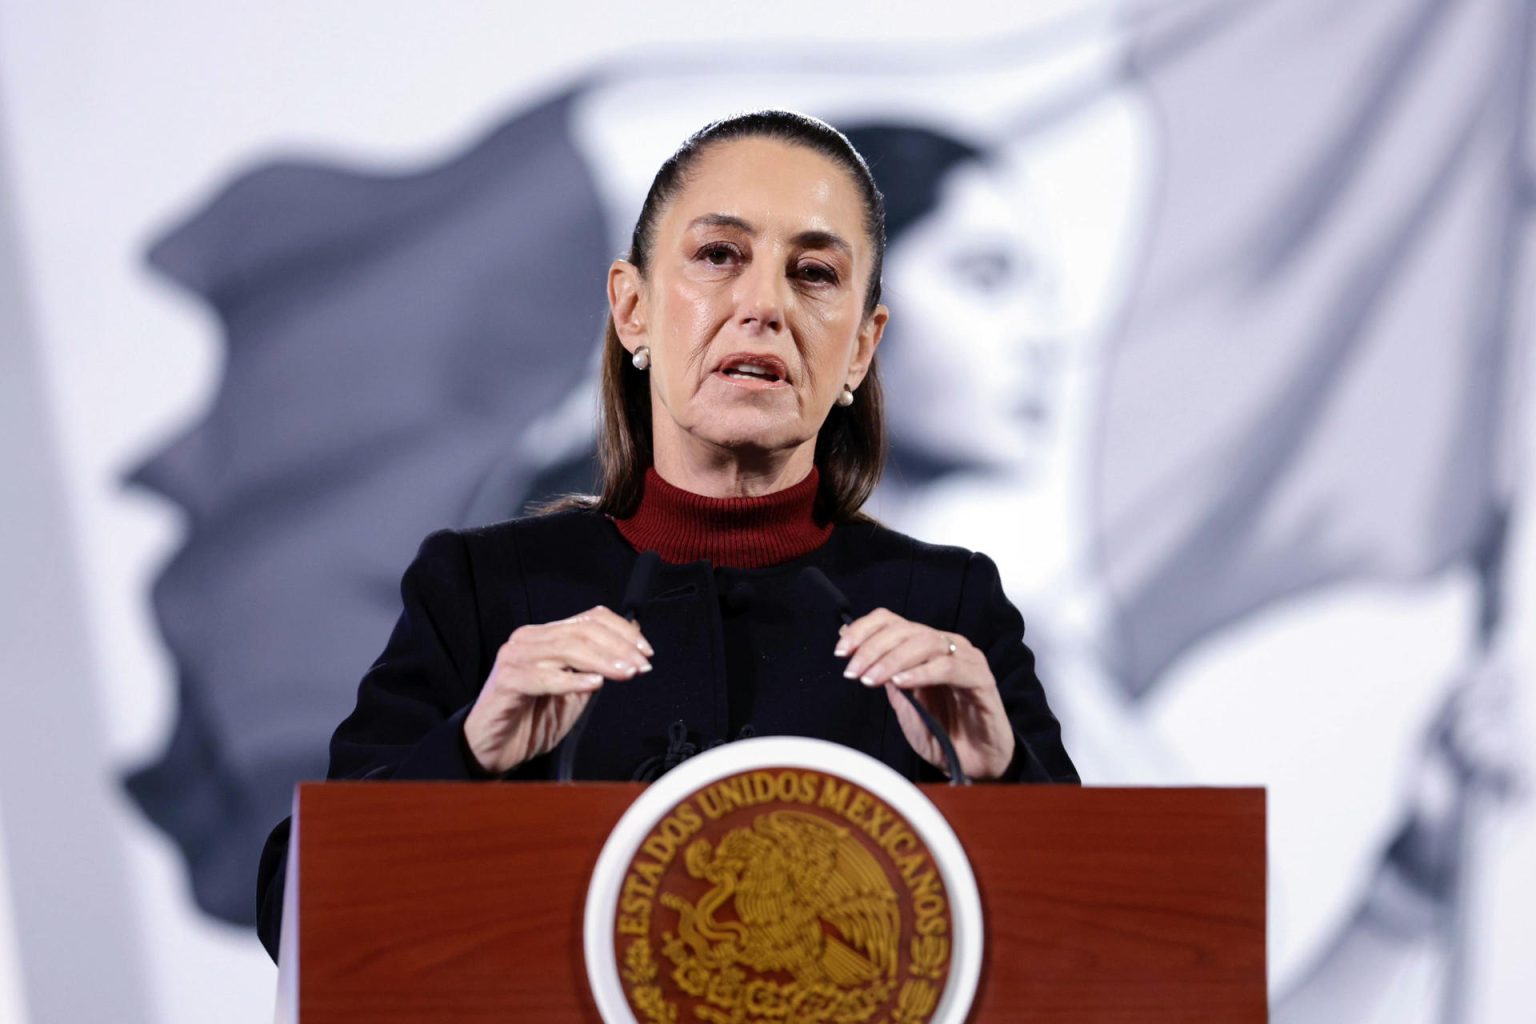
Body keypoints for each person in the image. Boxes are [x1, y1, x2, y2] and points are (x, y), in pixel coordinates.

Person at [255, 109, 1078, 960]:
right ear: (633, 308)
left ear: (862, 350)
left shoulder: (948, 607)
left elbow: (1099, 934)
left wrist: (1002, 777)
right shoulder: (484, 591)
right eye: (719, 257)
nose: (762, 306)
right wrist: (468, 755)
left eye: (814, 272)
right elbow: (297, 918)